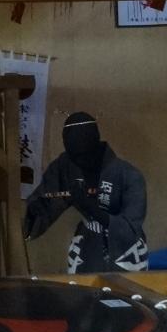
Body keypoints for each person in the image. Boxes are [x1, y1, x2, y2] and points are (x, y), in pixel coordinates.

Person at [24, 111, 149, 273]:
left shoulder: (128, 174)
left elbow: (131, 228)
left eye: (84, 155)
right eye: (74, 157)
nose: (80, 162)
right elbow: (45, 199)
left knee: (124, 288)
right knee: (81, 287)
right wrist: (36, 210)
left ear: (96, 144)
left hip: (126, 249)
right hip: (87, 242)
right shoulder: (67, 165)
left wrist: (92, 208)